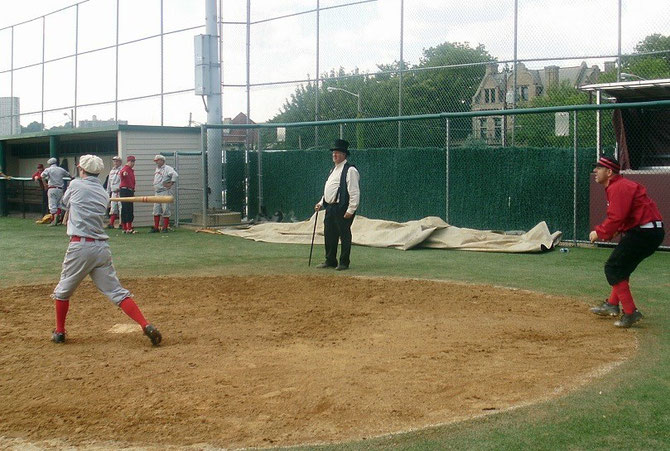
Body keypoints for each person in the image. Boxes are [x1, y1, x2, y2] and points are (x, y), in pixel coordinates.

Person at [50, 154, 161, 346]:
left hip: (80, 247)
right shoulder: (103, 193)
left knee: (62, 292)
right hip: (101, 248)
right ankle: (145, 324)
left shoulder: (76, 185)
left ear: (81, 168)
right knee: (117, 292)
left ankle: (59, 332)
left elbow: (64, 203)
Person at [589, 156, 664, 328]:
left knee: (613, 267)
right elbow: (623, 218)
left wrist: (599, 232)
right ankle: (612, 305)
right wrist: (610, 232)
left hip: (645, 232)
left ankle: (630, 312)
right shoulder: (618, 186)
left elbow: (616, 217)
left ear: (609, 172)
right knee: (622, 268)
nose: (595, 171)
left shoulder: (619, 187)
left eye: (599, 168)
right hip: (647, 231)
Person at [314, 139, 361, 271]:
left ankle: (344, 262)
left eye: (338, 153)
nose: (334, 155)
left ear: (344, 155)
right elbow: (330, 191)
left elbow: (354, 191)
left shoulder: (350, 170)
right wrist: (320, 203)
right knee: (329, 234)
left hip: (342, 207)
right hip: (330, 207)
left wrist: (351, 209)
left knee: (344, 235)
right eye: (334, 152)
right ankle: (330, 260)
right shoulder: (333, 170)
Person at [150, 154, 178, 233]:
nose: (156, 163)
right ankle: (156, 227)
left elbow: (175, 175)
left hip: (165, 191)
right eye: (156, 161)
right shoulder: (157, 169)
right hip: (157, 192)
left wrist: (171, 183)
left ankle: (165, 227)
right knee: (156, 210)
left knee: (165, 209)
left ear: (162, 160)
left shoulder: (167, 168)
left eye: (158, 161)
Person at [41, 157, 70, 226]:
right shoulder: (61, 169)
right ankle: (60, 219)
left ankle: (54, 221)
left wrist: (45, 184)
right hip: (60, 189)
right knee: (59, 204)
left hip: (52, 188)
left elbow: (42, 176)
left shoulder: (48, 169)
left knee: (52, 204)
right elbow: (69, 175)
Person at [119, 155, 137, 234]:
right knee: (127, 208)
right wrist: (124, 173)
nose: (132, 163)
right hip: (125, 190)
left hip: (129, 190)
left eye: (133, 162)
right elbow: (122, 172)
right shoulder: (125, 169)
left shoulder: (131, 170)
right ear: (128, 162)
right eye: (131, 162)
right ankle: (127, 227)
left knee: (127, 208)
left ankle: (126, 227)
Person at [106, 156, 123, 229]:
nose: (115, 163)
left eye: (117, 161)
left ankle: (121, 223)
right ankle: (111, 223)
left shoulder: (122, 170)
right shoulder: (111, 171)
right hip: (113, 192)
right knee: (113, 208)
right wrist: (108, 192)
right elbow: (109, 183)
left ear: (120, 162)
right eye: (114, 161)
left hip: (120, 191)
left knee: (121, 208)